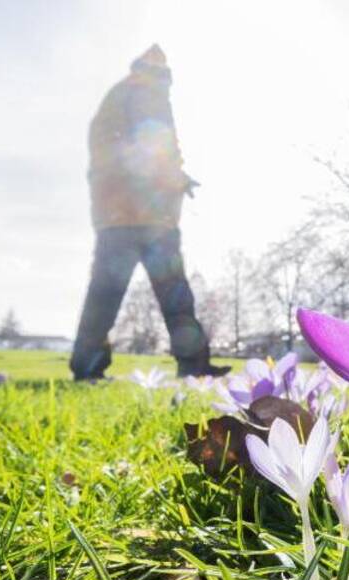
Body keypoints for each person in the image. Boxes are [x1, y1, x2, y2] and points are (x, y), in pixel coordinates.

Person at [70, 45, 230, 381]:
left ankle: (192, 365)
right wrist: (169, 177)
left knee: (167, 296)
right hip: (129, 216)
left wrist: (178, 178)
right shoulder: (137, 93)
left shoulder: (143, 96)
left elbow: (162, 153)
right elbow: (144, 150)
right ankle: (89, 366)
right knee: (113, 293)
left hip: (147, 218)